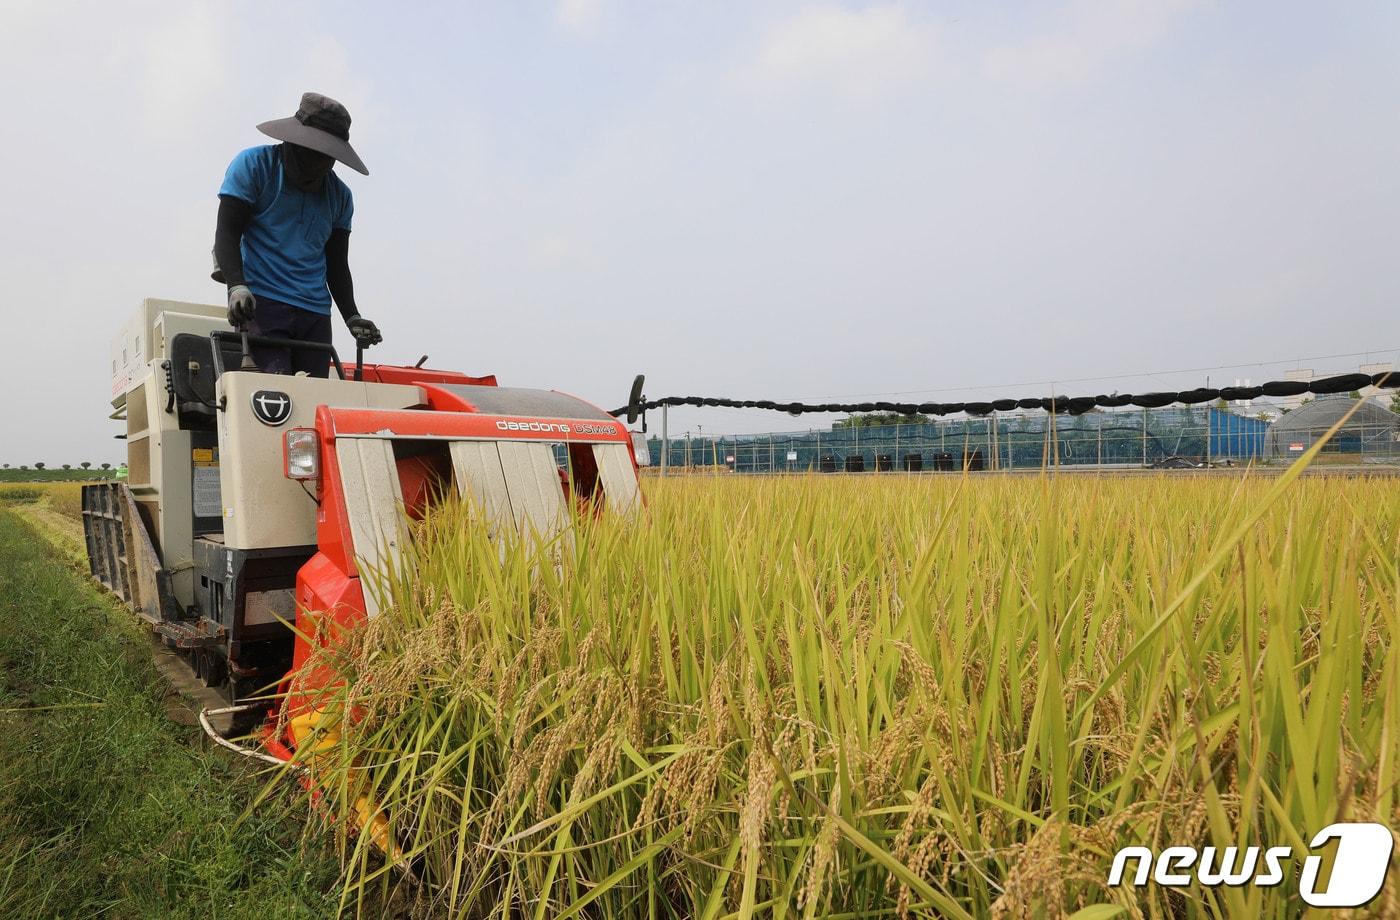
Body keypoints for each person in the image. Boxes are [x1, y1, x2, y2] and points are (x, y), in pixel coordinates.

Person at [212, 92, 382, 377]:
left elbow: (337, 266)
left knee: (311, 403)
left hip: (314, 313)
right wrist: (236, 287)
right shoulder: (254, 167)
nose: (313, 169)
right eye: (307, 157)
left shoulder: (339, 196)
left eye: (324, 160)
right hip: (262, 303)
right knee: (276, 398)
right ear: (291, 141)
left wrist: (352, 316)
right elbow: (227, 234)